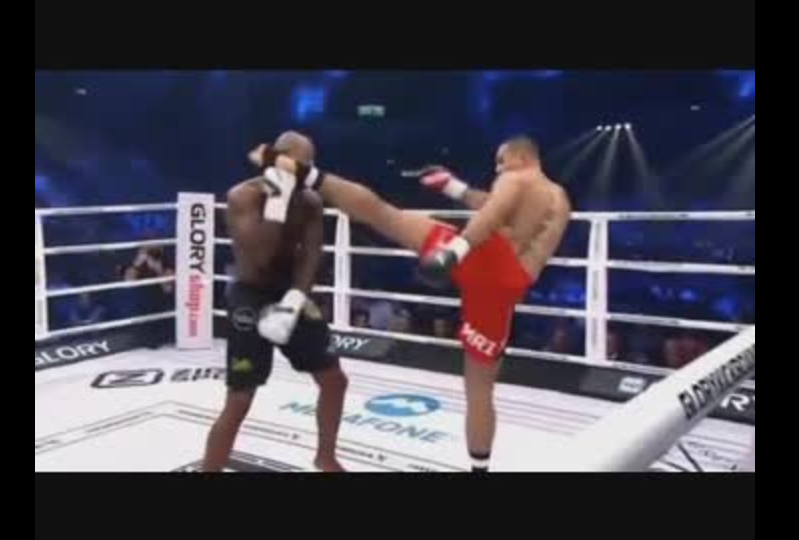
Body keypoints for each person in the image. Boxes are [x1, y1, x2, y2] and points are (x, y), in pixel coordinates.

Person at [250, 134, 572, 473]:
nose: (497, 168)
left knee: (382, 214)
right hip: (507, 287)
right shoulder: (558, 198)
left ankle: (299, 169)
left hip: (483, 255)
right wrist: (453, 187)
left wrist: (455, 251)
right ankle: (480, 468)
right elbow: (499, 208)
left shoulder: (516, 178)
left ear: (521, 156)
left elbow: (492, 214)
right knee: (480, 388)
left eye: (501, 160)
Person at [202, 132, 349, 473]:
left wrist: (295, 300)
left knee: (335, 380)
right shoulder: (243, 196)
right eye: (300, 165)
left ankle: (326, 457)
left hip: (291, 292)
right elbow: (262, 256)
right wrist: (279, 196)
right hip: (250, 296)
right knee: (240, 399)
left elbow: (311, 254)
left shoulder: (309, 201)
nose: (307, 172)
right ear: (279, 162)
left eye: (310, 165)